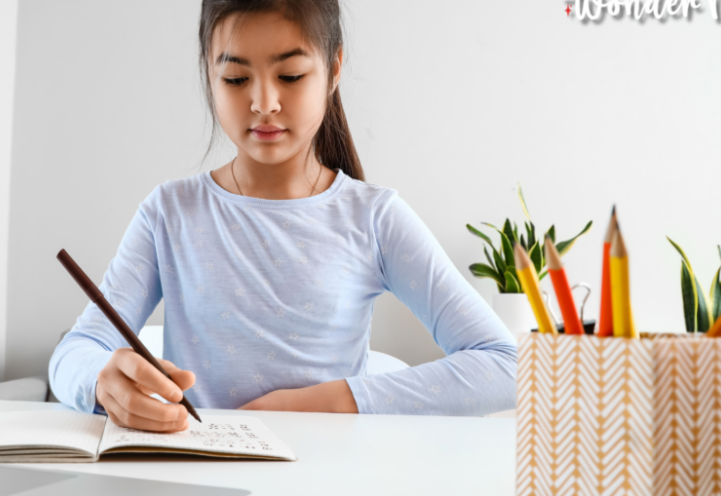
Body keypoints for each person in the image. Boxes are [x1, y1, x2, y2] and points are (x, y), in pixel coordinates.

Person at [49, 0, 516, 433]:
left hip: (324, 491)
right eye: (236, 79)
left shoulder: (373, 217)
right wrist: (100, 380)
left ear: (333, 70)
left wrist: (336, 401)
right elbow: (75, 351)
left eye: (290, 76)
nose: (264, 103)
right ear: (209, 76)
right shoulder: (169, 212)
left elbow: (506, 365)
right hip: (196, 476)